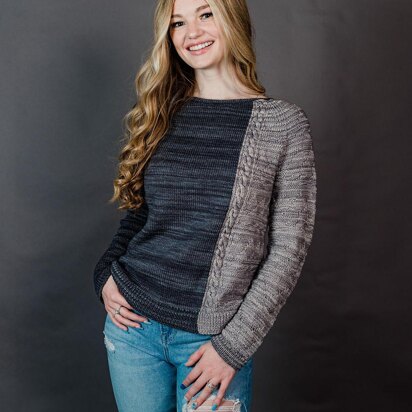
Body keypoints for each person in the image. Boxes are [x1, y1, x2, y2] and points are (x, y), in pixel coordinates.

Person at [93, 0, 317, 411]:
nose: (191, 32)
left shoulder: (283, 125)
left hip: (211, 342)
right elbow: (142, 213)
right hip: (133, 329)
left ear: (233, 17)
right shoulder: (162, 113)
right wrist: (106, 272)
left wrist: (232, 347)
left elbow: (289, 249)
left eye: (206, 14)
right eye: (178, 23)